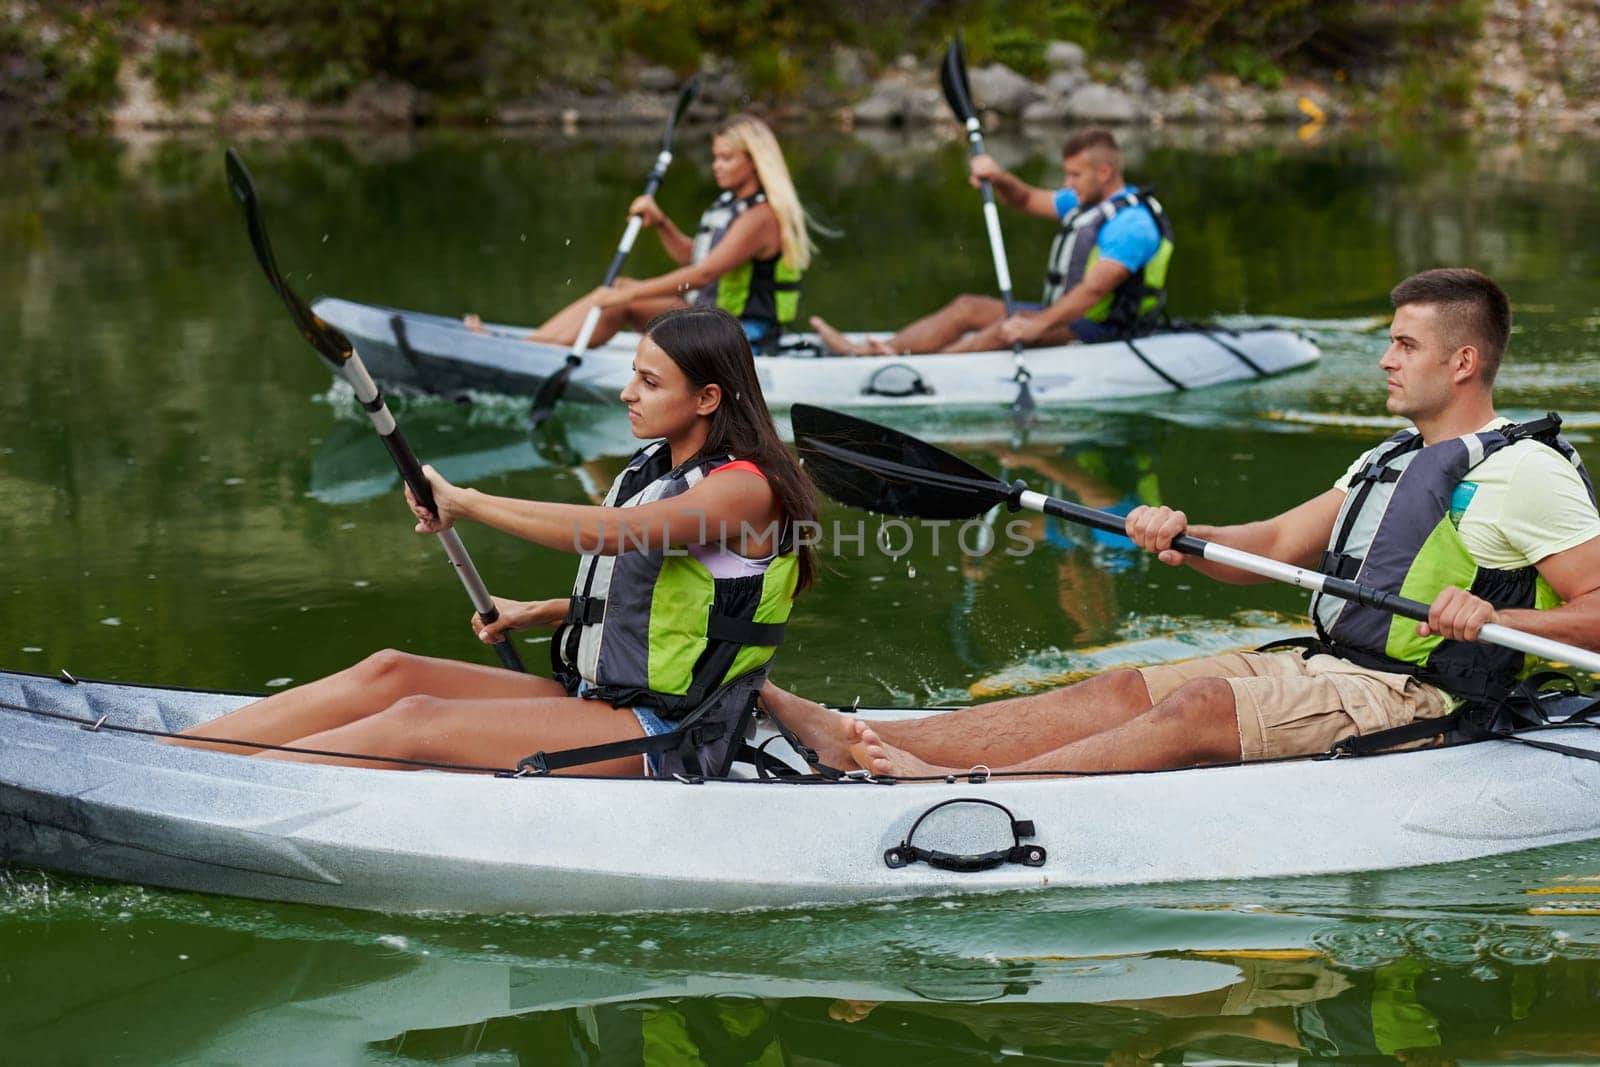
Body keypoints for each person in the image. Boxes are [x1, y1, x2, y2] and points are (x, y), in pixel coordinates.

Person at [768, 268, 1600, 778]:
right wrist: (1184, 533)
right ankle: (864, 738)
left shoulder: (1525, 471)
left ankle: (953, 789)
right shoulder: (1389, 458)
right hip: (1332, 661)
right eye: (1389, 340)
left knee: (1200, 703)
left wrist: (1502, 619)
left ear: (1462, 361)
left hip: (1425, 691)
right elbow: (1274, 547)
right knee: (1122, 687)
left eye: (1404, 344)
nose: (1385, 358)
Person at [170, 306, 816, 778]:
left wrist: (468, 502)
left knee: (416, 720)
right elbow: (671, 604)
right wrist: (540, 612)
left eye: (650, 382)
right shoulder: (658, 467)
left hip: (667, 731)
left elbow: (615, 536)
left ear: (706, 397)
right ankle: (168, 760)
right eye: (633, 374)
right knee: (391, 671)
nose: (626, 392)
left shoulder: (744, 489)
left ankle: (221, 789)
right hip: (603, 700)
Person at [810, 127, 1172, 356]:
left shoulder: (1132, 225)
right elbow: (1026, 199)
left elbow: (1092, 292)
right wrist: (998, 178)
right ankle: (879, 351)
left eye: (1074, 174)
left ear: (1104, 172)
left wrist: (1037, 325)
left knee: (1003, 328)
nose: (1067, 182)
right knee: (968, 306)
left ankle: (926, 370)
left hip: (1103, 328)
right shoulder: (1085, 202)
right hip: (1068, 316)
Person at [477, 115, 822, 352]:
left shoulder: (760, 217)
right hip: (712, 318)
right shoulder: (731, 206)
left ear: (754, 161)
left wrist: (628, 296)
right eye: (715, 157)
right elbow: (696, 257)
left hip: (740, 335)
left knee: (622, 299)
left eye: (726, 158)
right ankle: (530, 346)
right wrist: (662, 223)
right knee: (622, 288)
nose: (716, 165)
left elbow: (704, 273)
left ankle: (531, 351)